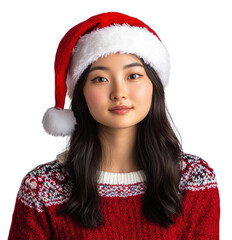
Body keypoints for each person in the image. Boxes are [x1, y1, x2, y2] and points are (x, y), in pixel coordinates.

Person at [8, 12, 220, 239]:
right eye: (100, 79)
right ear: (82, 94)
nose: (119, 93)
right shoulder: (42, 188)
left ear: (154, 86)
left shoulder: (194, 180)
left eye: (133, 76)